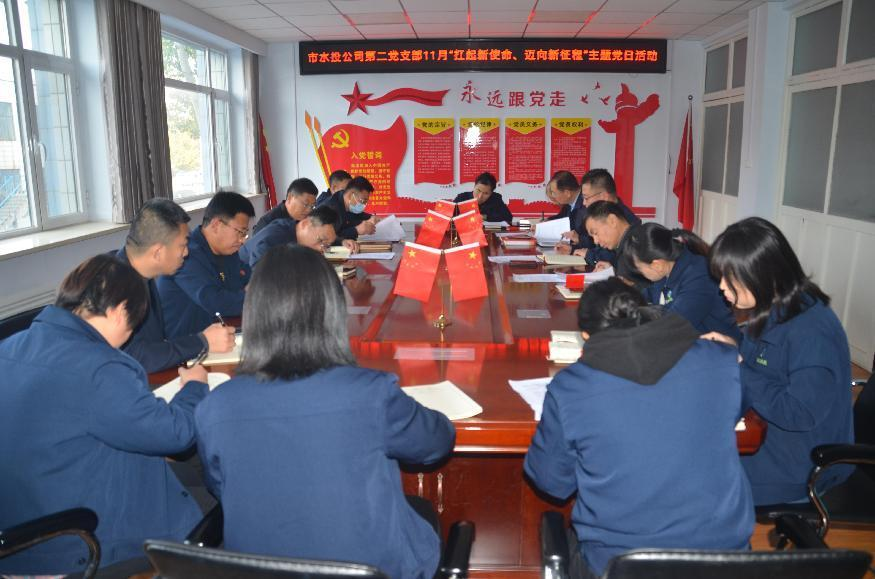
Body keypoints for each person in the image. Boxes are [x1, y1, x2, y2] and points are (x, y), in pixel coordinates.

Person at [195, 245, 455, 578]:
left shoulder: (214, 406)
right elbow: (436, 442)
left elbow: (219, 485)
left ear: (254, 313)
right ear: (332, 310)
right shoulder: (370, 393)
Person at [524, 278, 753, 578]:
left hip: (622, 563)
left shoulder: (571, 387)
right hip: (726, 560)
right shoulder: (719, 359)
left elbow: (551, 481)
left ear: (585, 336)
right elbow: (734, 407)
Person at [0, 255, 209, 576]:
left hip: (19, 533)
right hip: (77, 540)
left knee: (187, 477)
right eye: (134, 324)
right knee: (214, 512)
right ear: (119, 311)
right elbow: (176, 434)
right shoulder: (99, 367)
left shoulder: (10, 347)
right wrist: (194, 386)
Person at [705, 217, 853, 505]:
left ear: (762, 274)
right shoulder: (772, 309)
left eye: (729, 277)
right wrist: (733, 351)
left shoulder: (812, 331)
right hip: (769, 436)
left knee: (696, 477)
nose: (721, 286)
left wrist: (738, 365)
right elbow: (762, 367)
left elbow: (799, 413)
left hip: (800, 464)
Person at [116, 199, 235, 373]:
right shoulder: (115, 285)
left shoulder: (140, 273)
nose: (186, 253)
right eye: (183, 245)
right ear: (158, 252)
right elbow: (138, 357)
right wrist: (203, 341)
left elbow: (154, 343)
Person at [619, 222, 741, 341]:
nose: (641, 274)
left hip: (721, 349)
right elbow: (645, 296)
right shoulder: (666, 271)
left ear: (657, 265)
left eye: (640, 269)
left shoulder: (699, 276)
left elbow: (673, 327)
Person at [158, 191, 254, 339]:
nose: (242, 240)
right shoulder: (186, 255)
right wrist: (256, 296)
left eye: (245, 233)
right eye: (240, 232)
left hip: (217, 335)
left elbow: (248, 279)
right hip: (183, 345)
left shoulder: (228, 250)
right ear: (216, 225)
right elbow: (215, 302)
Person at [567, 168, 641, 263]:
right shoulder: (604, 215)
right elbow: (596, 247)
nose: (584, 203)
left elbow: (613, 257)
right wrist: (572, 249)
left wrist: (590, 255)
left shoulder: (627, 221)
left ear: (604, 196)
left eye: (586, 198)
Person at [239, 205, 339, 268]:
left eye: (327, 245)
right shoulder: (277, 236)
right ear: (305, 224)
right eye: (321, 240)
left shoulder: (299, 237)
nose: (321, 249)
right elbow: (260, 273)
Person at [252, 178, 319, 236]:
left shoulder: (305, 219)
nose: (309, 210)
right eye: (305, 204)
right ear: (290, 197)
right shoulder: (268, 223)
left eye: (312, 206)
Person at [321, 175, 378, 240]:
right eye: (363, 201)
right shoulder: (330, 209)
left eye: (366, 202)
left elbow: (360, 215)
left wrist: (372, 217)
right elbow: (327, 238)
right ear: (351, 195)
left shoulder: (348, 205)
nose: (364, 205)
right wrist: (356, 230)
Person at [582, 200, 631, 271]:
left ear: (612, 221)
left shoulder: (638, 246)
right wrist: (612, 271)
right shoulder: (625, 246)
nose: (596, 241)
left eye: (595, 233)